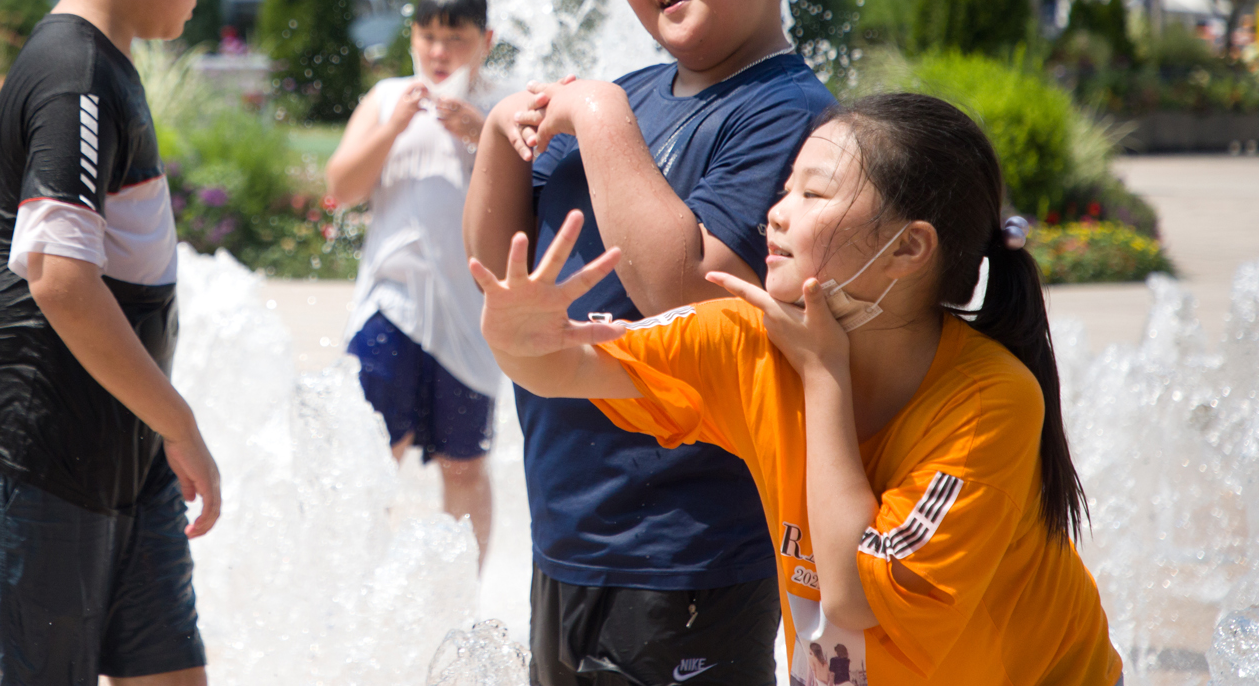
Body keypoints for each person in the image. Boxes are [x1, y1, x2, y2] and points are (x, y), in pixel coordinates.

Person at [474, 93, 1122, 686]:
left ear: (908, 247)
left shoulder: (988, 402)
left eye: (814, 195)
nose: (777, 214)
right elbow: (566, 370)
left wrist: (822, 375)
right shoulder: (748, 339)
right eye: (785, 190)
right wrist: (519, 338)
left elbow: (851, 596)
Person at [462, 0, 834, 685]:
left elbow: (685, 290)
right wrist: (495, 136)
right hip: (571, 530)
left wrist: (591, 111)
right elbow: (500, 272)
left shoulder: (787, 112)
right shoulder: (630, 95)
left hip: (687, 545)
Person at [0, 0, 233, 686]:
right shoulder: (75, 73)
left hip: (117, 457)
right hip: (30, 457)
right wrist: (181, 421)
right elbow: (61, 280)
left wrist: (155, 431)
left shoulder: (102, 64)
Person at [326, 0, 501, 558]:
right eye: (427, 36)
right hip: (389, 306)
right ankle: (357, 590)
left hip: (472, 319)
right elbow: (339, 186)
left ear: (486, 41)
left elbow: (534, 194)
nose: (438, 51)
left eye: (454, 37)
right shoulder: (385, 99)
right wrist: (395, 126)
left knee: (464, 466)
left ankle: (461, 606)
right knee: (373, 457)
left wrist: (480, 131)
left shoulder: (502, 106)